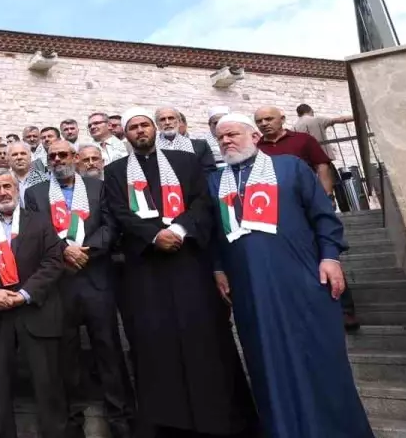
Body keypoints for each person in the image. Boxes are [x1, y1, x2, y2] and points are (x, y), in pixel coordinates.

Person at [210, 115, 372, 438]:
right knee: (269, 368)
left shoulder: (289, 168)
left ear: (255, 136)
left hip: (301, 283)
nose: (226, 141)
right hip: (251, 295)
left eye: (233, 134)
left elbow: (323, 217)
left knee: (321, 361)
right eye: (221, 137)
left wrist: (329, 257)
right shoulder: (214, 183)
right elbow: (214, 233)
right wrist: (217, 267)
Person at [103, 109, 256, 438]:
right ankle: (170, 425)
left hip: (190, 264)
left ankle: (222, 421)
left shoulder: (184, 162)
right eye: (133, 127)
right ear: (126, 135)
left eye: (145, 125)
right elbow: (118, 211)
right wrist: (154, 236)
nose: (140, 131)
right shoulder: (114, 172)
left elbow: (202, 202)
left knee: (205, 340)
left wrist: (180, 229)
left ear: (155, 128)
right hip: (146, 269)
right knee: (157, 346)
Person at [25, 141, 132, 438]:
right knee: (66, 357)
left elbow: (111, 225)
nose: (58, 159)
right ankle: (73, 422)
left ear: (75, 158)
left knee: (108, 351)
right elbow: (36, 231)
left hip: (96, 277)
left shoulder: (98, 188)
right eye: (53, 156)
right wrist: (63, 251)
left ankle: (121, 419)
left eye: (63, 154)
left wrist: (85, 249)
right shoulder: (35, 194)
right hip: (60, 284)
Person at [0, 170, 67, 438]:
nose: (3, 192)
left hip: (36, 311)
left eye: (7, 186)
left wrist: (25, 293)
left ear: (17, 189)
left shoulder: (40, 223)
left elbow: (53, 262)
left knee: (49, 386)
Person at [254, 105, 360, 330]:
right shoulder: (256, 149)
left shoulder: (303, 140)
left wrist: (326, 194)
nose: (264, 124)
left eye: (269, 119)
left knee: (327, 254)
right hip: (282, 213)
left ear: (282, 119)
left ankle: (345, 309)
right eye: (260, 121)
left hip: (310, 205)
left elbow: (321, 166)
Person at [155, 107, 217, 175]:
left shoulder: (199, 146)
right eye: (162, 119)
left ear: (179, 121)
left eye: (171, 118)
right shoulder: (151, 147)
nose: (167, 122)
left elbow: (209, 173)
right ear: (157, 124)